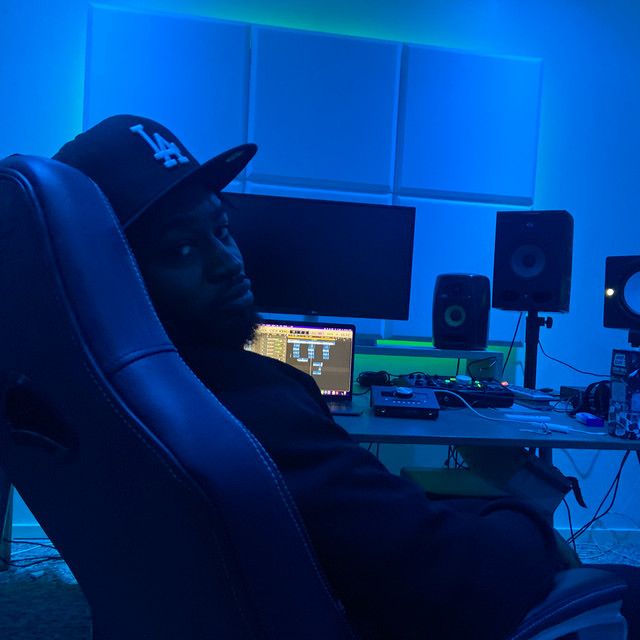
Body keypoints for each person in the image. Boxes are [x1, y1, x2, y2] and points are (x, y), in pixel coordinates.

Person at [53, 115, 638, 639]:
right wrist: (528, 522)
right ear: (107, 274)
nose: (227, 262)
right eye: (181, 248)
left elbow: (381, 527)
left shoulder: (84, 399)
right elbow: (446, 573)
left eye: (222, 229)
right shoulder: (248, 404)